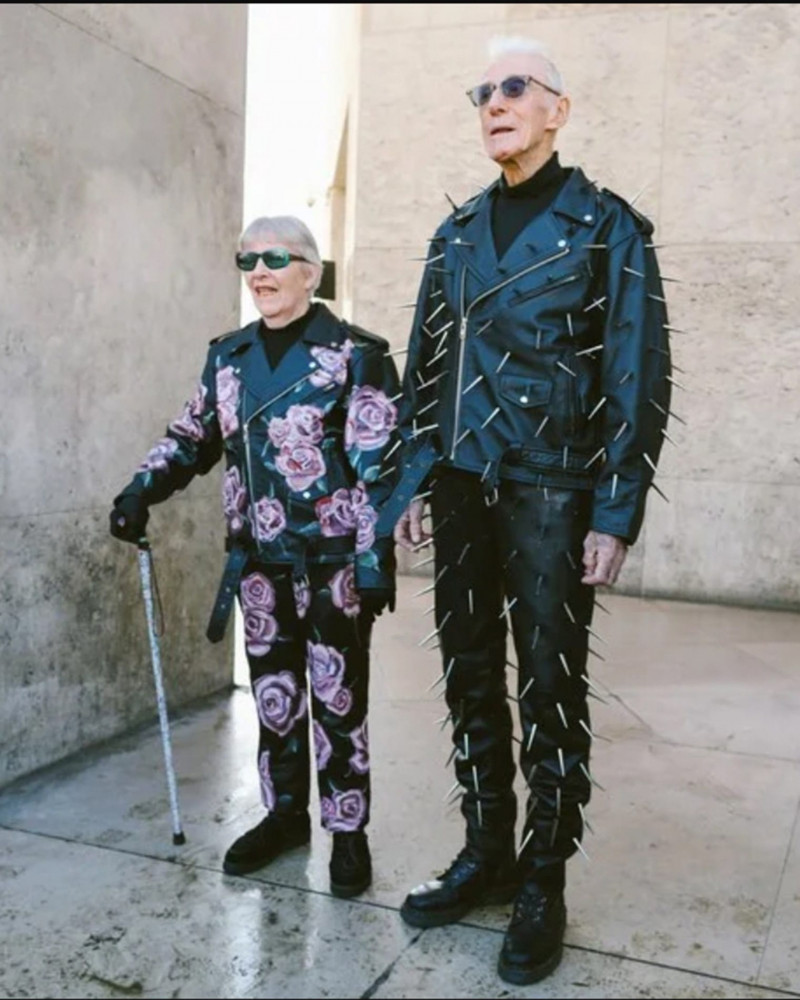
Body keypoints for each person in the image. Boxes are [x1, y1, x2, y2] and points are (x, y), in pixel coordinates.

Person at [386, 36, 672, 984]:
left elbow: (636, 372)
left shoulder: (606, 226)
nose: (494, 103)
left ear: (559, 109)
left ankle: (544, 876)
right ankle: (488, 851)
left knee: (549, 683)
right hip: (462, 483)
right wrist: (413, 478)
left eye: (515, 86)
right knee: (469, 671)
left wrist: (615, 511)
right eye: (482, 91)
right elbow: (426, 368)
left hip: (553, 486)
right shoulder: (458, 232)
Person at [110, 215, 400, 899]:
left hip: (331, 566)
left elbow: (381, 470)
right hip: (259, 564)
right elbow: (192, 437)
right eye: (248, 261)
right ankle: (285, 817)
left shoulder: (355, 355)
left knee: (338, 699)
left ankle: (348, 830)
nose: (260, 273)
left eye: (275, 258)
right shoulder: (229, 357)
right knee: (276, 699)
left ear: (311, 272)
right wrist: (141, 488)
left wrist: (374, 560)